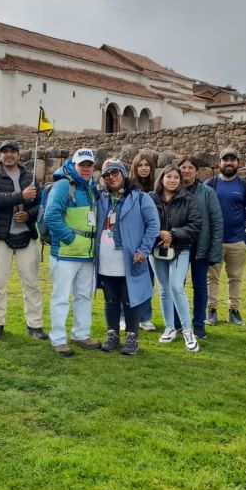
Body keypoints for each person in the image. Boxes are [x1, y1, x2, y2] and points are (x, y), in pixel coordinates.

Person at [0, 140, 48, 341]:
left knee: (31, 282)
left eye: (13, 152)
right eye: (5, 152)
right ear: (0, 155)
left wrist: (29, 215)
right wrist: (21, 196)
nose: (9, 155)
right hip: (1, 236)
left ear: (19, 155)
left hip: (25, 235)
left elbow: (41, 204)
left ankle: (35, 325)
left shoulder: (29, 177)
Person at [96, 159, 160, 356]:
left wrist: (144, 249)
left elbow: (153, 225)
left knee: (130, 298)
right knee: (110, 299)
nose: (111, 177)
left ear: (124, 174)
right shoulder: (101, 198)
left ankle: (132, 337)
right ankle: (112, 335)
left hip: (131, 257)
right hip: (106, 258)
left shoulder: (141, 198)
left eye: (114, 173)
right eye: (107, 175)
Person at [44, 148, 102, 356]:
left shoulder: (92, 188)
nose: (85, 169)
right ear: (74, 165)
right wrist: (69, 238)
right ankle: (58, 338)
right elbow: (51, 216)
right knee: (61, 297)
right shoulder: (62, 186)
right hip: (65, 254)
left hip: (86, 255)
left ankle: (81, 334)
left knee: (84, 296)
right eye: (82, 165)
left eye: (89, 165)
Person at [149, 164, 202, 350]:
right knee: (163, 288)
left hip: (180, 249)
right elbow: (144, 222)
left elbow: (195, 226)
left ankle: (188, 330)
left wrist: (172, 234)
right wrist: (159, 234)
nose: (172, 180)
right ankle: (170, 327)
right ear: (161, 178)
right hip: (156, 249)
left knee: (176, 286)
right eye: (169, 176)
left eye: (176, 177)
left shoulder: (189, 200)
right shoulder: (150, 199)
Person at [205, 147, 246, 326]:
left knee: (235, 278)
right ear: (219, 163)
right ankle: (211, 311)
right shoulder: (209, 185)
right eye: (225, 159)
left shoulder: (245, 187)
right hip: (214, 242)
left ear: (238, 163)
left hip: (237, 242)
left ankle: (234, 311)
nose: (228, 163)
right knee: (212, 278)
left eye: (232, 160)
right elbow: (202, 214)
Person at [178, 156, 223, 338]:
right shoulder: (174, 190)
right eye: (183, 167)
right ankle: (177, 322)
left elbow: (217, 222)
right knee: (177, 286)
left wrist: (215, 251)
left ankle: (198, 324)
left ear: (196, 171)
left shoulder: (207, 192)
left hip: (200, 248)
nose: (186, 171)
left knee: (200, 287)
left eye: (190, 167)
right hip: (179, 247)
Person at [128, 151, 157, 331]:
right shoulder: (130, 187)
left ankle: (145, 317)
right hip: (133, 238)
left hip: (152, 239)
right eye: (141, 165)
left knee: (148, 280)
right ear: (135, 167)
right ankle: (127, 316)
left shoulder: (157, 187)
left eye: (147, 165)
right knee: (129, 280)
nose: (144, 168)